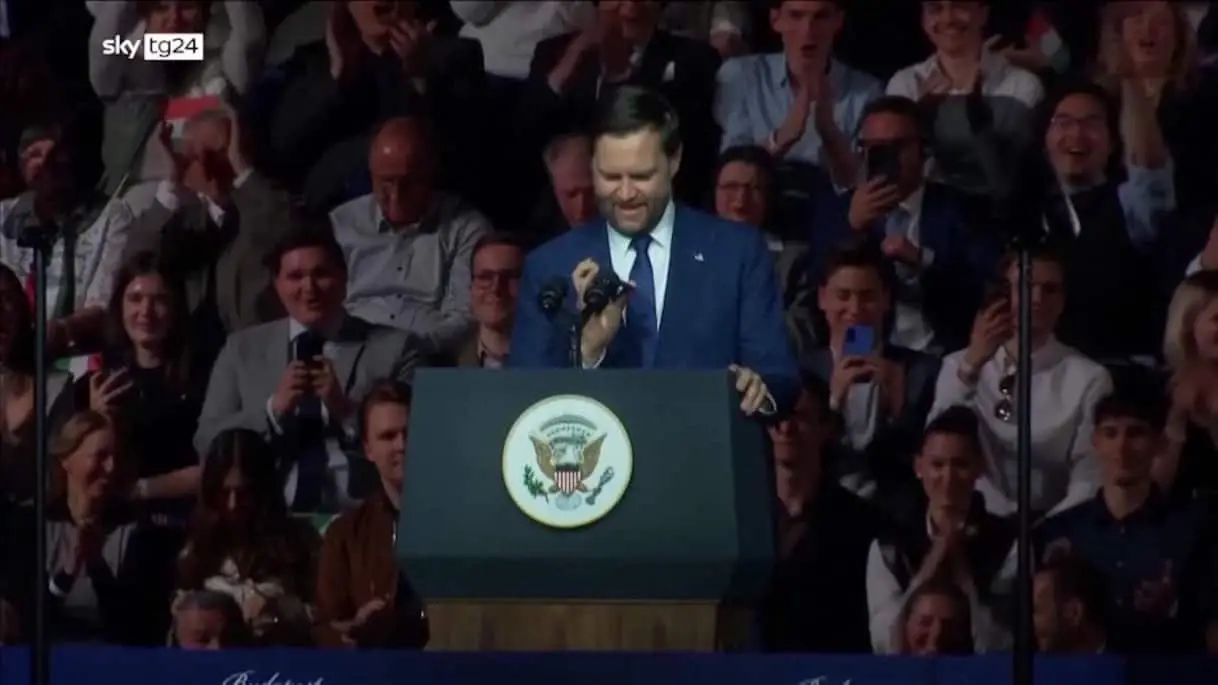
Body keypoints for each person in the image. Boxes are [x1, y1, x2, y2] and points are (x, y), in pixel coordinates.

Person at [509, 85, 799, 416]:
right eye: (610, 177)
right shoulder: (550, 265)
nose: (625, 193)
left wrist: (756, 390)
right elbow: (525, 398)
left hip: (704, 444)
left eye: (642, 176)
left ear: (674, 161)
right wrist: (587, 355)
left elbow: (779, 378)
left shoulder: (736, 252)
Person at [195, 226, 423, 512]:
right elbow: (207, 440)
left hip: (364, 513)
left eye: (321, 274)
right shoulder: (241, 349)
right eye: (295, 277)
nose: (309, 288)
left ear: (344, 278)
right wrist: (272, 411)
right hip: (268, 514)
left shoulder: (397, 348)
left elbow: (421, 442)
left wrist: (346, 410)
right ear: (277, 285)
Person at [314, 380, 428, 649]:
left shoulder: (462, 525)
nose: (402, 445)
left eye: (411, 433)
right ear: (368, 449)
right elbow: (324, 628)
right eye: (388, 436)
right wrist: (354, 629)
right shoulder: (345, 534)